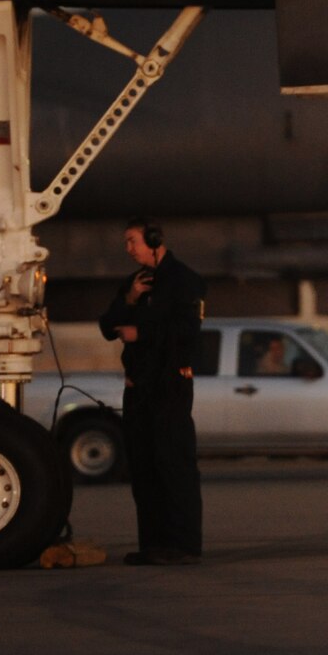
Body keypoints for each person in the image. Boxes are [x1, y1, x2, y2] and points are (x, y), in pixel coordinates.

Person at [98, 218, 206, 566]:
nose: (128, 249)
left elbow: (187, 332)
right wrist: (130, 298)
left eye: (132, 241)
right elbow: (106, 326)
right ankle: (153, 543)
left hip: (169, 385)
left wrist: (140, 333)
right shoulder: (135, 282)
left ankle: (182, 544)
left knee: (172, 462)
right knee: (143, 466)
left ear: (154, 240)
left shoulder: (185, 280)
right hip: (139, 387)